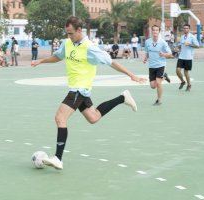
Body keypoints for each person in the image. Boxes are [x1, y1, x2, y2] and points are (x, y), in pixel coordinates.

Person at [31, 16, 146, 170]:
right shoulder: (68, 43)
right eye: (67, 33)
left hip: (79, 89)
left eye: (71, 33)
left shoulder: (90, 47)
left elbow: (111, 62)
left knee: (60, 118)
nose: (69, 36)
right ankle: (123, 97)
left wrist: (131, 75)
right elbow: (58, 56)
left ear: (79, 30)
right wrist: (40, 61)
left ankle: (58, 158)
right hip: (78, 89)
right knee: (93, 117)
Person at [143, 25, 172, 106]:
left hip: (161, 65)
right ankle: (165, 77)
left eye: (156, 30)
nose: (155, 31)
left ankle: (159, 100)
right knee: (152, 86)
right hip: (151, 66)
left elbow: (170, 54)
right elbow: (147, 52)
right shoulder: (147, 42)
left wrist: (163, 54)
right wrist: (145, 58)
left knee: (158, 83)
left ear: (159, 32)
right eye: (153, 30)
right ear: (151, 31)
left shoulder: (163, 42)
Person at [176, 24, 199, 92]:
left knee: (186, 73)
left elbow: (197, 46)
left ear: (189, 29)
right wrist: (177, 48)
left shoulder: (192, 37)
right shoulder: (182, 36)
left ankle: (189, 85)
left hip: (188, 57)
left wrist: (189, 44)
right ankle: (183, 81)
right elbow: (181, 45)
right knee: (177, 70)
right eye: (184, 28)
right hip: (181, 57)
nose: (185, 29)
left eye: (187, 28)